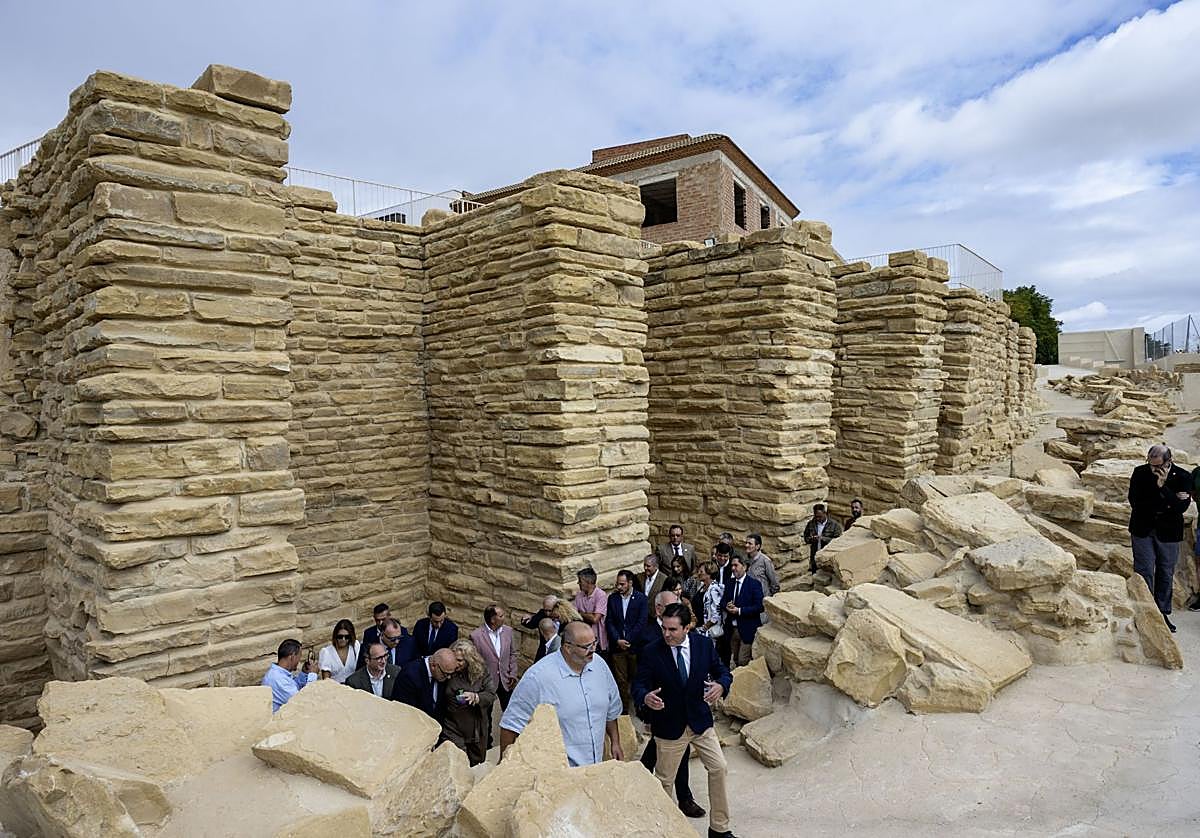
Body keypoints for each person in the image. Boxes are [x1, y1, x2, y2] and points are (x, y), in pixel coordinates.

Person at [633, 602, 734, 838]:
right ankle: (665, 832)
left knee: (719, 767)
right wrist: (645, 697)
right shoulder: (651, 651)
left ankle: (719, 829)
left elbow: (723, 672)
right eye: (664, 628)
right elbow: (638, 684)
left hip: (700, 722)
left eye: (672, 630)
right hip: (668, 726)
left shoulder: (703, 644)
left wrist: (721, 685)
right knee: (664, 781)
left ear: (686, 628)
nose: (666, 634)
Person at [499, 621, 623, 767]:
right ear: (568, 647)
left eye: (594, 643)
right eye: (586, 647)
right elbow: (511, 725)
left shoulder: (600, 666)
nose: (593, 650)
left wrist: (615, 742)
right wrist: (504, 766)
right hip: (559, 774)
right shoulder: (538, 677)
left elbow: (611, 711)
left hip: (594, 770)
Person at [635, 590, 703, 820]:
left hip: (683, 713)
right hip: (661, 711)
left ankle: (683, 797)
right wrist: (645, 698)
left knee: (672, 755)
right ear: (658, 609)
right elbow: (641, 680)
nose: (676, 612)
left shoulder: (686, 635)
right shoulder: (648, 636)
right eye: (671, 607)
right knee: (662, 757)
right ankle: (655, 798)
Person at [1128, 445, 1193, 632]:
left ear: (1168, 461)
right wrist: (1170, 500)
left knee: (1165, 572)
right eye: (1150, 464)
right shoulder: (1140, 472)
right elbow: (1135, 501)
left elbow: (1181, 508)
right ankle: (1145, 610)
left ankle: (1162, 613)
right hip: (1143, 528)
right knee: (1144, 569)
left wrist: (1163, 488)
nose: (1153, 469)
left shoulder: (1183, 476)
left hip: (1169, 532)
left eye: (1157, 466)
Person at [441, 639, 496, 766]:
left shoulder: (482, 672)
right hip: (453, 726)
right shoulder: (449, 671)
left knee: (477, 763)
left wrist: (476, 697)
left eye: (460, 660)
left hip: (476, 727)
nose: (456, 663)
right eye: (455, 659)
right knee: (458, 763)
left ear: (469, 660)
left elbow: (491, 695)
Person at [470, 603, 518, 747]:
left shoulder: (508, 631)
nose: (504, 618)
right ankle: (487, 744)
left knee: (511, 711)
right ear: (492, 619)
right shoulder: (476, 636)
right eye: (501, 615)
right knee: (486, 715)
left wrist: (513, 673)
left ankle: (515, 741)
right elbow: (475, 661)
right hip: (487, 683)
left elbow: (513, 654)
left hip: (505, 680)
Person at [605, 569, 648, 713]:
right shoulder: (613, 599)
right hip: (617, 648)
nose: (619, 587)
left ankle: (639, 707)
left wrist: (627, 640)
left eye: (622, 584)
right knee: (621, 680)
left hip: (634, 646)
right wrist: (618, 640)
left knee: (637, 678)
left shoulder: (641, 599)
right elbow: (609, 621)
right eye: (617, 584)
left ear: (630, 583)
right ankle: (623, 709)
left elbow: (641, 623)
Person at [391, 647, 462, 722]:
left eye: (451, 674)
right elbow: (405, 711)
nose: (448, 677)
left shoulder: (443, 672)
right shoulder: (409, 676)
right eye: (446, 674)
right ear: (433, 666)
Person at [721, 555, 764, 667]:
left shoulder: (754, 584)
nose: (733, 568)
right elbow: (723, 601)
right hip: (732, 629)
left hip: (748, 628)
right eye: (732, 566)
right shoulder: (729, 583)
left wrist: (739, 611)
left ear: (744, 567)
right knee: (735, 659)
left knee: (743, 660)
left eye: (736, 565)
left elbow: (760, 606)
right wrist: (727, 605)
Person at [262, 639, 316, 712]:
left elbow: (293, 686)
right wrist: (313, 675)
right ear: (292, 657)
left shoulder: (280, 673)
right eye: (299, 657)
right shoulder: (277, 678)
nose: (299, 661)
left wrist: (304, 674)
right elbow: (303, 702)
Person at [573, 567, 608, 658]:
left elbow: (595, 619)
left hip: (598, 641)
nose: (578, 583)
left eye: (580, 581)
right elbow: (573, 615)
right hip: (582, 640)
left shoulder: (600, 595)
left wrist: (581, 613)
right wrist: (586, 615)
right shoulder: (579, 595)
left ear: (588, 582)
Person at [803, 504, 843, 574]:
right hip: (815, 556)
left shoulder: (835, 525)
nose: (818, 519)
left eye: (820, 516)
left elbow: (838, 542)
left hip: (828, 557)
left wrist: (823, 539)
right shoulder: (811, 524)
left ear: (825, 513)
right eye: (816, 517)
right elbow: (806, 539)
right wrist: (811, 539)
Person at [317, 619, 359, 683]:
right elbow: (326, 681)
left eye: (346, 637)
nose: (343, 639)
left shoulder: (355, 646)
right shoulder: (326, 652)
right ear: (335, 636)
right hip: (336, 689)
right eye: (340, 636)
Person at [695, 561, 725, 640]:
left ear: (709, 573)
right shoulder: (702, 586)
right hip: (698, 626)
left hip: (708, 631)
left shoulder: (714, 590)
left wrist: (704, 628)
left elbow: (716, 614)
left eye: (701, 571)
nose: (698, 573)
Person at [636, 554, 667, 620]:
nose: (645, 568)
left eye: (648, 566)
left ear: (656, 566)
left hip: (656, 618)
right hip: (641, 617)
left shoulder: (664, 579)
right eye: (644, 565)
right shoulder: (639, 577)